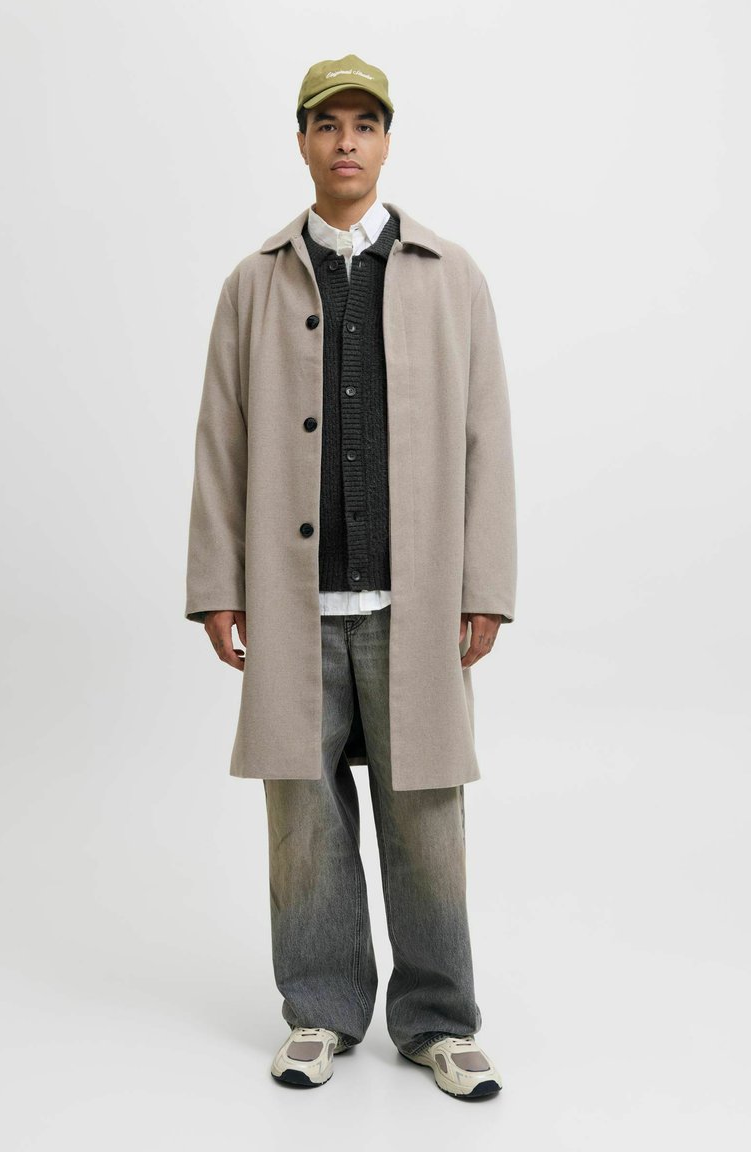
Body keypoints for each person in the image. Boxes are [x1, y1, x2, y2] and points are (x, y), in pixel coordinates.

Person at [184, 53, 517, 1099]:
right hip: (293, 605)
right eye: (326, 124)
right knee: (303, 826)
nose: (344, 142)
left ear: (385, 142)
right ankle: (319, 1015)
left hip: (414, 603)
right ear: (301, 142)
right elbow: (221, 441)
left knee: (427, 820)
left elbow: (486, 438)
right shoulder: (253, 283)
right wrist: (217, 582)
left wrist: (484, 585)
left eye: (363, 124)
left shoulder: (450, 276)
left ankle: (438, 1022)